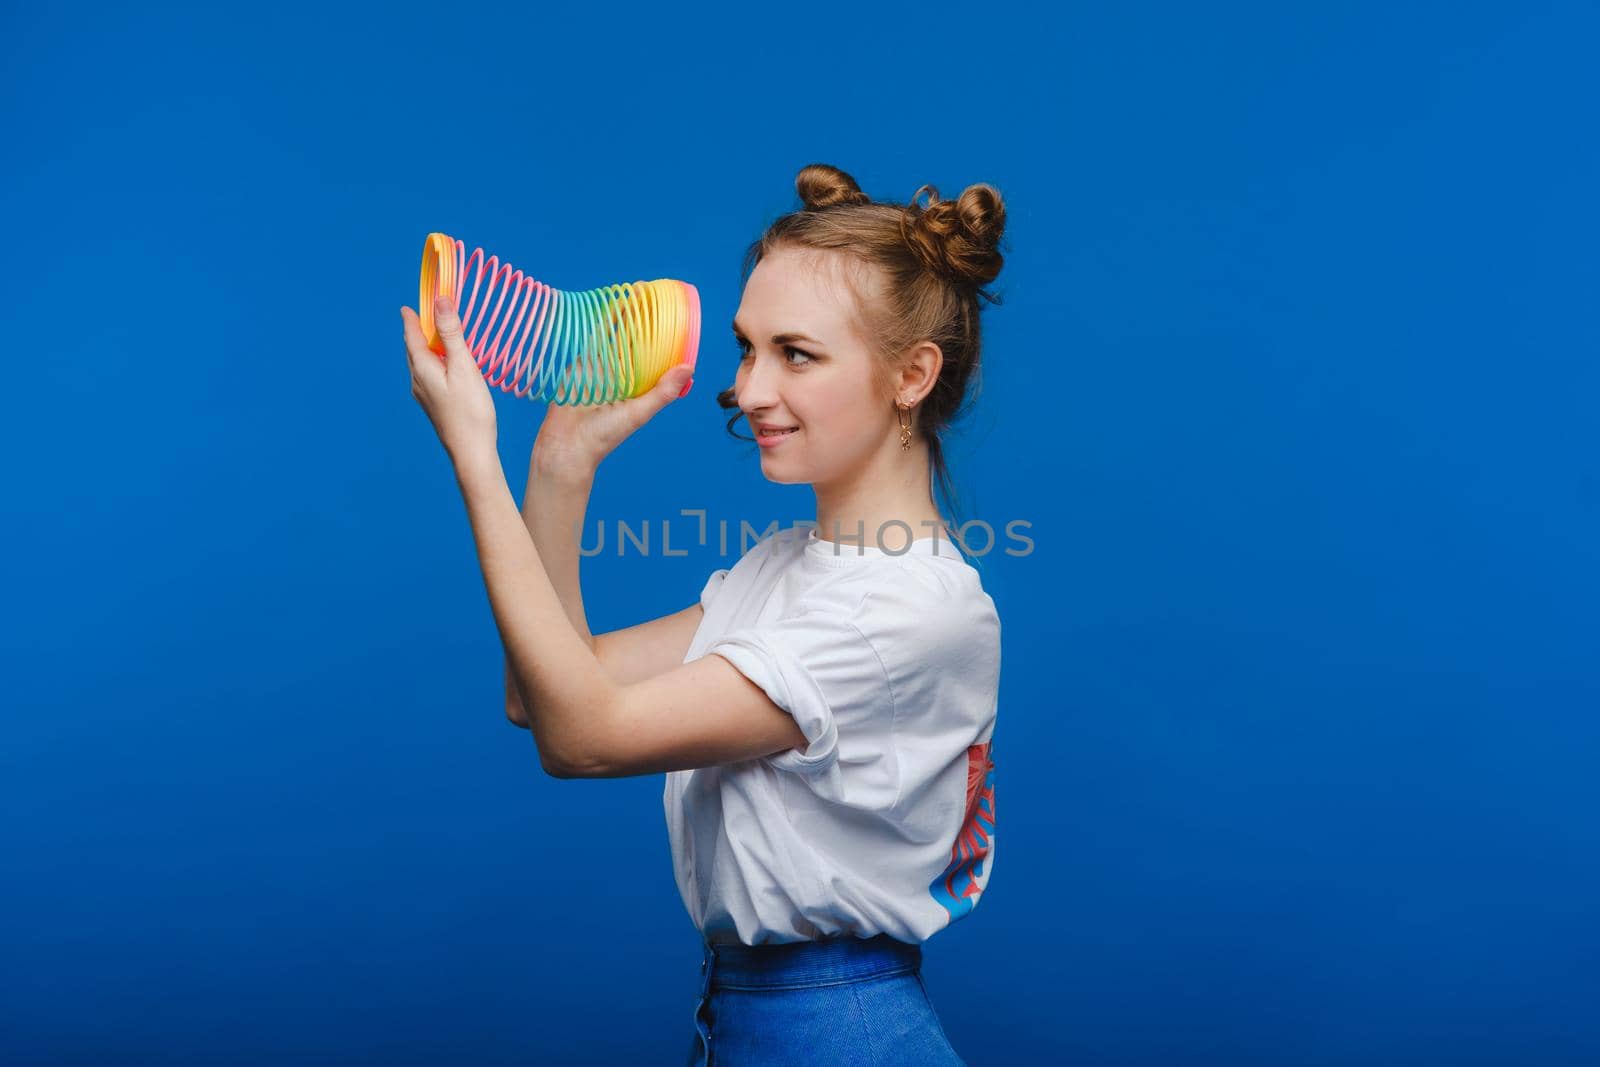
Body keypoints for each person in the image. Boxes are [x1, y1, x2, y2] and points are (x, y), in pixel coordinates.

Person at [401, 162, 1006, 1065]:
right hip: (746, 1019)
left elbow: (583, 736)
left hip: (839, 1032)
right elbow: (546, 691)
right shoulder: (783, 572)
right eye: (747, 347)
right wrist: (561, 463)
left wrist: (475, 460)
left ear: (913, 374)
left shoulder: (904, 611)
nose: (751, 389)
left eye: (796, 353)